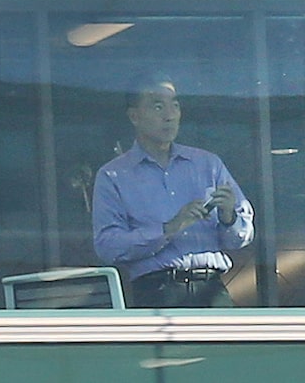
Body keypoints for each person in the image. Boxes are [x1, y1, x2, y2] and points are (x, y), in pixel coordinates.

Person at [92, 76, 254, 308]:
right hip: (157, 290)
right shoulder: (113, 175)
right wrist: (169, 229)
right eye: (158, 106)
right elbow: (108, 247)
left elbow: (242, 237)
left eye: (175, 105)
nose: (169, 115)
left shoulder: (208, 164)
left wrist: (229, 217)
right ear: (134, 116)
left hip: (212, 287)